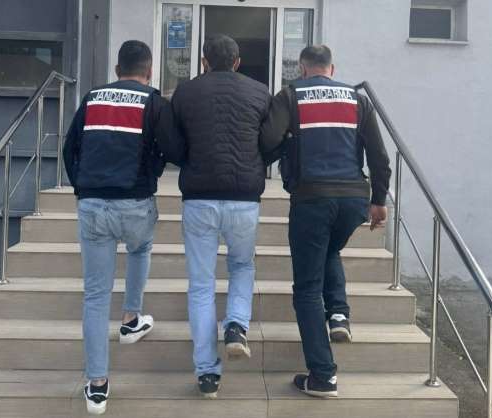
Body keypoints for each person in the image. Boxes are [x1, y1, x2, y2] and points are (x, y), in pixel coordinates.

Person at [259, 45, 391, 398]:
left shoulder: (290, 95)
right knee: (330, 250)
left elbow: (268, 140)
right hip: (353, 199)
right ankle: (339, 315)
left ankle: (323, 375)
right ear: (332, 68)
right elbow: (378, 155)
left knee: (306, 288)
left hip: (312, 198)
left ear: (302, 69)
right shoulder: (357, 99)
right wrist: (379, 200)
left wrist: (288, 144)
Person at [159, 34, 273, 398]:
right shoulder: (260, 92)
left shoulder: (185, 92)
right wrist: (257, 164)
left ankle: (207, 373)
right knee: (241, 266)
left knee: (201, 285)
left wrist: (190, 161)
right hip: (244, 198)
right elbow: (271, 141)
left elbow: (171, 144)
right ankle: (236, 325)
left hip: (199, 198)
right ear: (237, 62)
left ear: (204, 61)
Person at [63, 40, 169, 415]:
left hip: (93, 203)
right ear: (149, 70)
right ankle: (130, 318)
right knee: (141, 248)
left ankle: (97, 386)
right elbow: (167, 149)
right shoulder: (153, 101)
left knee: (95, 295)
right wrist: (151, 175)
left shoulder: (92, 98)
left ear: (117, 69)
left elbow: (70, 149)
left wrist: (82, 188)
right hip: (136, 201)